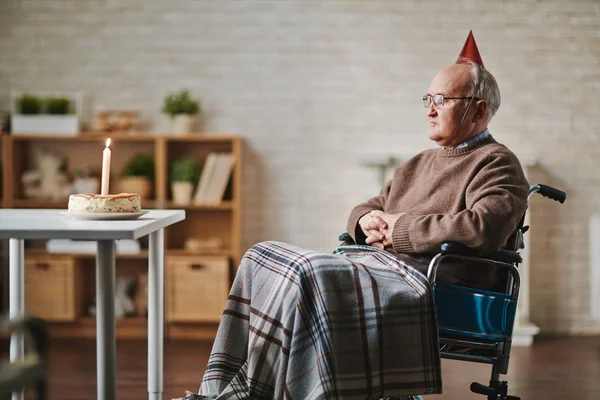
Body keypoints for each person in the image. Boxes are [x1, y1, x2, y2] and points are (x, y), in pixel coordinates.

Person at [174, 31, 528, 400]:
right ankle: (225, 390)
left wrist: (398, 230)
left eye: (443, 99)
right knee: (260, 257)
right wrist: (364, 222)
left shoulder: (498, 163)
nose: (430, 108)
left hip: (425, 281)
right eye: (428, 98)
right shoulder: (417, 164)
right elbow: (368, 206)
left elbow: (482, 227)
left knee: (308, 273)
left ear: (480, 110)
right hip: (374, 265)